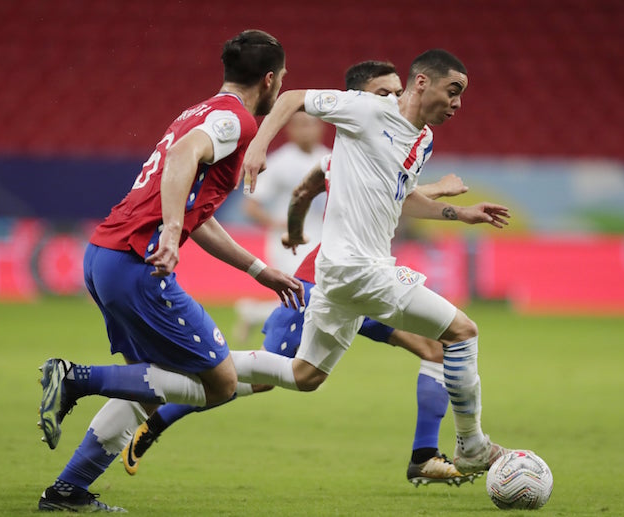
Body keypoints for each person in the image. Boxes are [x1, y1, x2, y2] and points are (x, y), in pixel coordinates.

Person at [120, 62, 481, 487]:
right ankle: (161, 410)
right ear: (359, 97)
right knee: (268, 379)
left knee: (437, 349)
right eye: (383, 92)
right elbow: (305, 191)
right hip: (322, 281)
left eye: (395, 92)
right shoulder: (352, 140)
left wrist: (446, 201)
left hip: (362, 278)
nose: (391, 99)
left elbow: (389, 194)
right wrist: (292, 236)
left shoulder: (395, 143)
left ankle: (423, 456)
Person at [35, 29, 303, 512]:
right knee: (219, 384)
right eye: (282, 79)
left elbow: (200, 214)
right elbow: (182, 160)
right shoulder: (233, 119)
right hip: (137, 262)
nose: (281, 88)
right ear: (269, 80)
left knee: (151, 383)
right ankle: (75, 378)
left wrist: (258, 270)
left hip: (106, 256)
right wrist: (173, 232)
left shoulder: (197, 112)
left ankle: (68, 491)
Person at [231, 48, 512, 476]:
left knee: (305, 374)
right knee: (461, 333)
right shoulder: (365, 109)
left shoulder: (423, 141)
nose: (457, 103)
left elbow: (403, 200)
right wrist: (257, 148)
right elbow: (292, 99)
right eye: (452, 91)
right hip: (358, 269)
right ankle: (471, 446)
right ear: (422, 82)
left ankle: (196, 363)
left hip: (343, 276)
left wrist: (462, 213)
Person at [234, 111, 330, 341]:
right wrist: (279, 223)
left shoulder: (329, 158)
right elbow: (251, 206)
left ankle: (253, 313)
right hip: (287, 240)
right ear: (291, 130)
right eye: (300, 125)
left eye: (310, 125)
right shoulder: (279, 162)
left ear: (320, 128)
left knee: (315, 295)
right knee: (304, 292)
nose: (306, 130)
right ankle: (285, 346)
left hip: (321, 236)